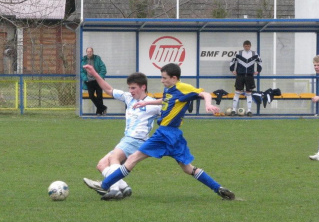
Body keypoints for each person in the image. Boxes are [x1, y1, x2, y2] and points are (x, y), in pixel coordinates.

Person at [83, 63, 236, 201]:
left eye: (164, 78)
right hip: (175, 135)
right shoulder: (170, 89)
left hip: (164, 133)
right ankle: (219, 188)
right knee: (188, 168)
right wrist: (148, 102)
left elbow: (205, 94)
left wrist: (208, 104)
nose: (162, 81)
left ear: (174, 78)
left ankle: (105, 185)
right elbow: (166, 100)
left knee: (132, 159)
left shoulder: (183, 87)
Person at [82, 64, 161, 200]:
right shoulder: (128, 98)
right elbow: (108, 89)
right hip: (127, 139)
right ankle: (124, 187)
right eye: (129, 87)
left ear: (143, 87)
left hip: (137, 139)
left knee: (114, 158)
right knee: (101, 165)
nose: (130, 91)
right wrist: (94, 74)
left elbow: (170, 110)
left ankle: (114, 189)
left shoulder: (153, 104)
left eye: (133, 88)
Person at [229, 40, 262, 116]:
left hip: (250, 75)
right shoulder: (239, 53)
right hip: (240, 75)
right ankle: (234, 110)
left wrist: (258, 70)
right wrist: (232, 70)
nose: (247, 47)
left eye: (248, 46)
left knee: (249, 93)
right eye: (245, 46)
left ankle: (249, 111)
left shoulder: (254, 53)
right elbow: (232, 61)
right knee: (237, 92)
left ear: (250, 46)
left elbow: (260, 61)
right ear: (243, 46)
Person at [81, 47, 108, 115]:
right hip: (89, 81)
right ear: (86, 52)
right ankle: (103, 108)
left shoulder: (97, 59)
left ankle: (99, 112)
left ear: (92, 52)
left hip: (98, 81)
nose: (89, 53)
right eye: (88, 51)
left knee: (99, 96)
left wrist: (99, 77)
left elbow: (103, 68)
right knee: (91, 96)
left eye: (90, 51)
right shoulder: (83, 60)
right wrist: (85, 78)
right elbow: (81, 71)